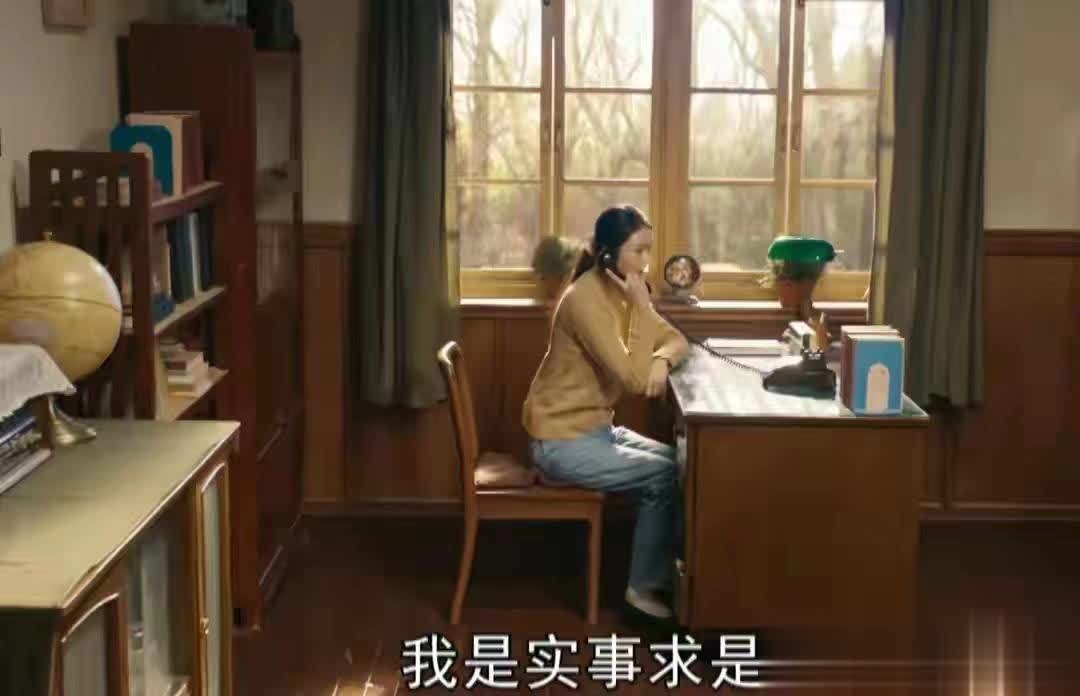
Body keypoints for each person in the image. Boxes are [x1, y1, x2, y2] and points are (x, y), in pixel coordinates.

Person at [522, 204, 690, 620]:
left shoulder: (624, 291)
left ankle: (673, 577)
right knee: (664, 476)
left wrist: (661, 360)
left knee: (685, 463)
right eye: (638, 251)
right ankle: (641, 591)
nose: (646, 262)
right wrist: (644, 312)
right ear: (609, 255)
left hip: (596, 429)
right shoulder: (585, 300)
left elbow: (676, 340)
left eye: (649, 251)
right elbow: (633, 380)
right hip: (560, 439)